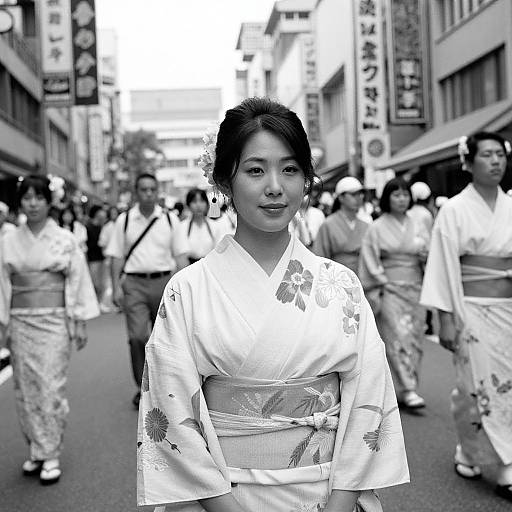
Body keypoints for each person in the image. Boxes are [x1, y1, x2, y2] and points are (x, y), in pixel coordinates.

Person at [137, 98, 408, 512]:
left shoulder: (341, 285)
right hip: (224, 497)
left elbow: (369, 397)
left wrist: (341, 501)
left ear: (307, 180)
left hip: (326, 491)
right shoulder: (187, 290)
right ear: (224, 180)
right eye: (255, 170)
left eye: (290, 169)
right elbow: (170, 411)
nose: (275, 187)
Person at [420, 131, 512, 501]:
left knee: (499, 384)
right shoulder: (455, 209)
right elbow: (442, 265)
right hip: (470, 309)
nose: (496, 161)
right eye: (487, 154)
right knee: (479, 384)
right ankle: (506, 464)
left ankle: (469, 451)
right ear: (469, 161)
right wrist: (444, 318)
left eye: (500, 154)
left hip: (508, 309)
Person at [0, 175, 99, 485]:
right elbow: (2, 285)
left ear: (48, 201)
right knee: (25, 388)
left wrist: (78, 321)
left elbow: (77, 280)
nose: (32, 203)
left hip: (54, 320)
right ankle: (36, 448)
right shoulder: (7, 240)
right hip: (19, 319)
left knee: (50, 385)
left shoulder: (65, 239)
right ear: (21, 201)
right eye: (27, 197)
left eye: (38, 197)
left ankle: (51, 451)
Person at [105, 173, 189, 408]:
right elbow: (116, 257)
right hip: (134, 285)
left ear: (158, 191)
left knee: (167, 339)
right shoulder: (123, 221)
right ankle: (142, 387)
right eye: (144, 189)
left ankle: (166, 387)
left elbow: (181, 257)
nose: (149, 194)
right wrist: (115, 288)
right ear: (136, 192)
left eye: (153, 189)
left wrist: (185, 289)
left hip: (164, 283)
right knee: (137, 337)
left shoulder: (170, 220)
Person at [359, 177, 429, 409]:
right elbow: (370, 259)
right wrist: (381, 281)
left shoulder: (418, 223)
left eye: (405, 194)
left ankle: (409, 384)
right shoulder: (376, 227)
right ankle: (407, 388)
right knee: (396, 337)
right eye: (396, 194)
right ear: (387, 198)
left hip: (416, 287)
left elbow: (430, 254)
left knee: (415, 337)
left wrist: (425, 258)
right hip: (389, 288)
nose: (401, 199)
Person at [313, 177, 370, 274]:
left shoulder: (366, 224)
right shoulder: (328, 224)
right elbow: (320, 257)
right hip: (336, 276)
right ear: (341, 197)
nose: (358, 198)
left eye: (360, 194)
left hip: (363, 277)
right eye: (353, 194)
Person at [181, 188, 222, 264]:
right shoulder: (183, 226)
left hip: (210, 265)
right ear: (188, 205)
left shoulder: (214, 225)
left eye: (202, 201)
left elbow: (218, 250)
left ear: (207, 204)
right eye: (194, 201)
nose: (198, 205)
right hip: (189, 267)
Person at [86, 205, 107, 309]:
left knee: (103, 282)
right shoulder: (88, 227)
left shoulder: (103, 227)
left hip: (102, 258)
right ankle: (94, 303)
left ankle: (100, 302)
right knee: (94, 283)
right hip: (93, 259)